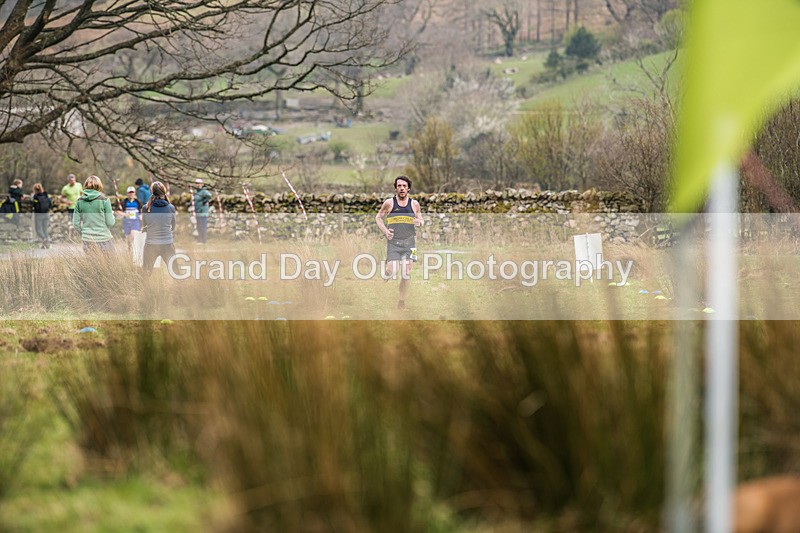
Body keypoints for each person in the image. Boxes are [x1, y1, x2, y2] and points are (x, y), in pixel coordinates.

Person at [375, 176, 424, 310]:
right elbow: (378, 217)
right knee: (392, 270)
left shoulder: (414, 204)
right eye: (399, 186)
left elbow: (421, 219)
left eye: (404, 186)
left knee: (406, 272)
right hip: (394, 243)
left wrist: (420, 222)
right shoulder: (389, 203)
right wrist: (385, 231)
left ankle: (401, 303)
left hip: (410, 244)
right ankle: (387, 274)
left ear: (408, 188)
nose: (401, 188)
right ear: (396, 188)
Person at [73, 175, 115, 254]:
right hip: (104, 239)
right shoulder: (105, 200)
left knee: (91, 266)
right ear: (99, 185)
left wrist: (84, 233)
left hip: (87, 240)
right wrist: (112, 216)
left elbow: (76, 224)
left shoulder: (79, 201)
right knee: (110, 265)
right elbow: (110, 222)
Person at [141, 181, 176, 273]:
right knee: (176, 273)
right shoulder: (171, 207)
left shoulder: (146, 208)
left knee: (146, 273)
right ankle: (180, 287)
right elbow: (173, 226)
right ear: (164, 191)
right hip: (168, 244)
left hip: (151, 245)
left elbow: (144, 224)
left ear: (152, 192)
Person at [60, 174, 82, 239]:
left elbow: (82, 194)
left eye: (74, 180)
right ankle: (72, 237)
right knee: (72, 223)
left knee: (80, 222)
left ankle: (80, 236)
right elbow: (61, 198)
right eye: (71, 180)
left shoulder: (79, 185)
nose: (73, 181)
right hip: (71, 208)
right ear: (69, 181)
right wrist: (67, 202)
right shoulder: (65, 188)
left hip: (79, 207)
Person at [31, 183, 51, 248]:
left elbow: (35, 206)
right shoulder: (46, 195)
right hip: (46, 214)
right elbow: (50, 203)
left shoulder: (35, 196)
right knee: (45, 229)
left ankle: (44, 240)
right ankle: (46, 244)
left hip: (39, 215)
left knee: (38, 230)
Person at [193, 178, 212, 244]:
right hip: (197, 211)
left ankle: (203, 240)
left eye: (199, 183)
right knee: (199, 227)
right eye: (196, 183)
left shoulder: (204, 191)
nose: (197, 184)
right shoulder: (196, 192)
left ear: (202, 184)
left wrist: (205, 201)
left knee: (202, 226)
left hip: (203, 212)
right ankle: (200, 240)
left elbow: (209, 196)